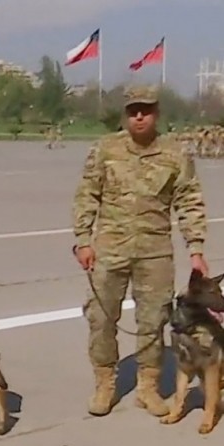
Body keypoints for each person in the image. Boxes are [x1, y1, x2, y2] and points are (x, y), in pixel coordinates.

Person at [72, 85, 208, 418]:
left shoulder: (175, 154)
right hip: (109, 249)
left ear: (156, 113)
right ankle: (105, 383)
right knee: (101, 318)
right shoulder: (106, 149)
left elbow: (189, 201)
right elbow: (87, 194)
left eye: (145, 110)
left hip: (155, 252)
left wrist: (196, 249)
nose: (139, 116)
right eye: (133, 110)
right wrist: (83, 239)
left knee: (154, 320)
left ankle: (147, 387)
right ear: (126, 114)